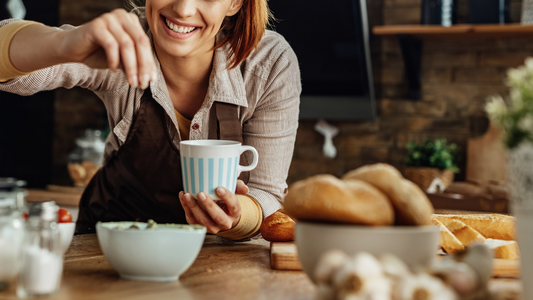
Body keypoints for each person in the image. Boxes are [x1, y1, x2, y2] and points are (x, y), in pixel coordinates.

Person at [0, 0, 301, 240]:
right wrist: (62, 44)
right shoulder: (124, 44)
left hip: (217, 263)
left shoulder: (268, 62)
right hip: (109, 252)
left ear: (236, 3)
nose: (183, 9)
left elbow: (266, 194)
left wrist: (237, 218)